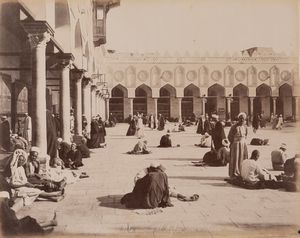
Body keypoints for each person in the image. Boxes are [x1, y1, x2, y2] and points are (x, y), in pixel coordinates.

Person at [228, 112, 248, 179]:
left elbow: (246, 136)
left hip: (243, 144)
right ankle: (234, 173)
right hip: (236, 145)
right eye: (240, 119)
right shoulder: (234, 127)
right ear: (238, 119)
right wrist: (234, 143)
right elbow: (229, 136)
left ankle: (241, 172)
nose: (242, 120)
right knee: (235, 159)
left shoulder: (245, 127)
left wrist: (243, 142)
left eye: (243, 119)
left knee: (242, 158)